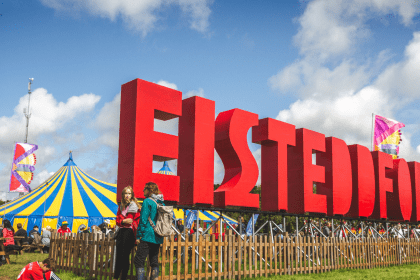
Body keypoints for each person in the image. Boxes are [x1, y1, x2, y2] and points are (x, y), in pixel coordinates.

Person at [134, 182, 164, 280]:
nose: (143, 191)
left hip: (147, 235)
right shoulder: (161, 202)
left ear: (150, 190)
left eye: (144, 189)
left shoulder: (147, 201)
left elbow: (143, 220)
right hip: (158, 236)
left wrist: (138, 236)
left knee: (139, 261)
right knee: (154, 260)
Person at [114, 186, 141, 280]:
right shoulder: (121, 206)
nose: (127, 195)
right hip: (121, 231)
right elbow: (117, 220)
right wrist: (123, 221)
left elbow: (131, 220)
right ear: (123, 195)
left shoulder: (134, 206)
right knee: (118, 256)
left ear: (132, 195)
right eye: (126, 193)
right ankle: (115, 277)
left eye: (129, 193)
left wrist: (122, 221)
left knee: (125, 257)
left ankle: (123, 278)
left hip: (130, 232)